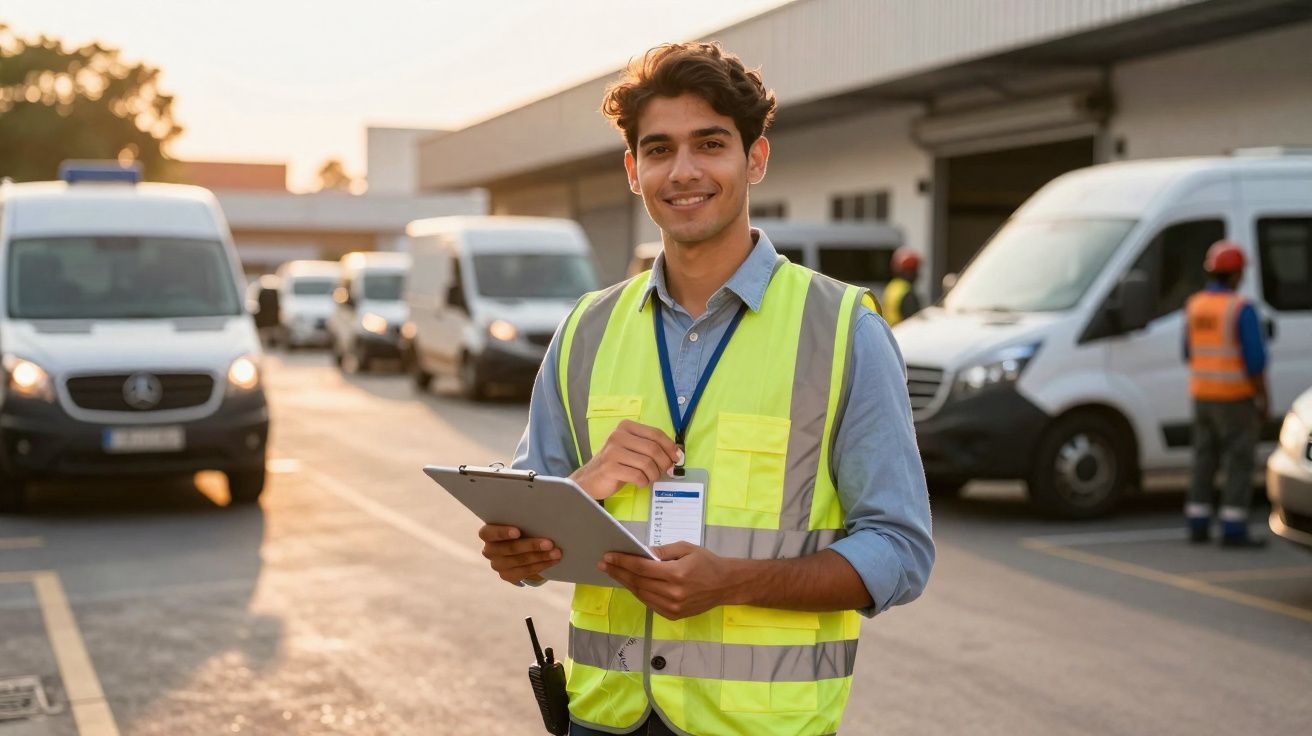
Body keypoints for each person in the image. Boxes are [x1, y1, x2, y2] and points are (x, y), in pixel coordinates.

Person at [477, 42, 934, 736]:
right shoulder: (586, 330)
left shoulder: (845, 330)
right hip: (603, 718)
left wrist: (736, 582)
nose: (683, 171)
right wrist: (541, 525)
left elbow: (899, 550)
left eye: (711, 144)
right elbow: (525, 545)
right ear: (633, 171)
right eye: (659, 149)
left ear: (755, 159)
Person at [1183, 240, 1268, 548]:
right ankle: (1233, 527)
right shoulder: (1241, 308)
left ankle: (1197, 522)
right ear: (1235, 274)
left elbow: (1188, 352)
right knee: (1238, 461)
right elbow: (1255, 361)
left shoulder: (1194, 305)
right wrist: (1263, 397)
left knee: (1203, 459)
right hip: (1234, 398)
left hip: (1202, 396)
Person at [881, 246, 922, 326]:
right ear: (910, 272)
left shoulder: (892, 287)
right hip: (903, 331)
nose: (918, 274)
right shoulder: (907, 293)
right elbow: (914, 322)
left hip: (890, 330)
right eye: (915, 270)